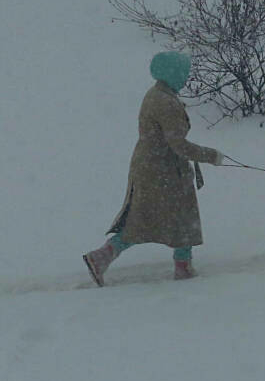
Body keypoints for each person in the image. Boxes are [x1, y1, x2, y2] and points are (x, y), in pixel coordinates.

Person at [83, 51, 225, 286]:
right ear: (173, 73)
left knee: (158, 218)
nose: (185, 77)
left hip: (155, 167)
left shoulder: (158, 94)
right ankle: (181, 267)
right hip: (162, 171)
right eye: (183, 73)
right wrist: (210, 156)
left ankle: (179, 265)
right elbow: (178, 144)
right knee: (167, 218)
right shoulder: (165, 102)